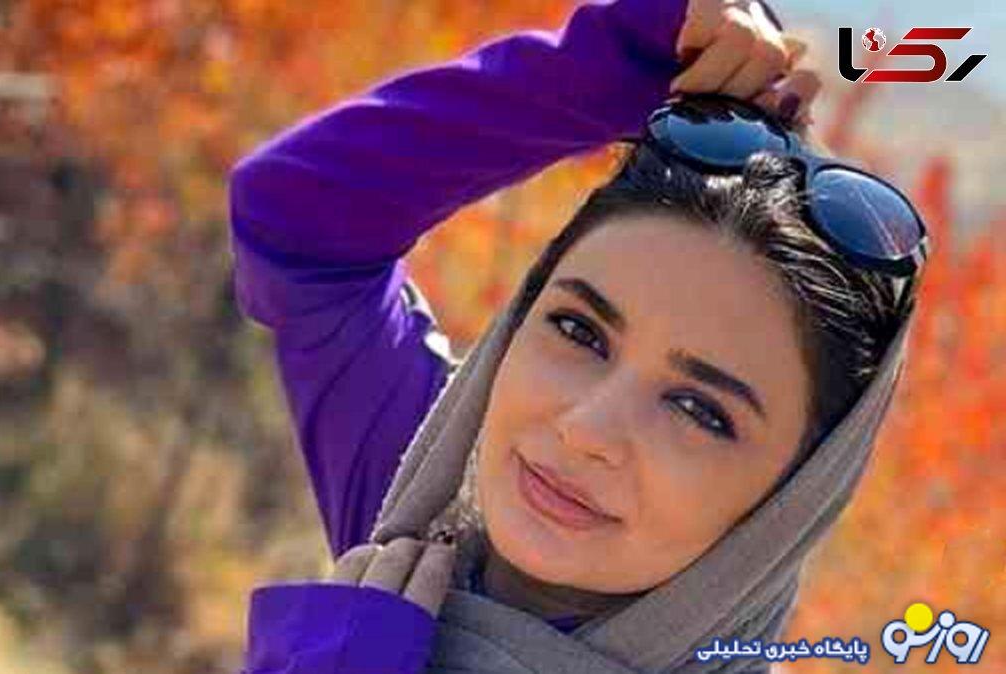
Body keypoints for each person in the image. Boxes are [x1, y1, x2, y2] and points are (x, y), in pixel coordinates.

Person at [227, 1, 927, 673]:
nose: (586, 429)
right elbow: (296, 218)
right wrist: (628, 59)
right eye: (579, 331)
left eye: (699, 410)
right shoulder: (419, 527)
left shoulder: (395, 586)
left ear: (796, 495)